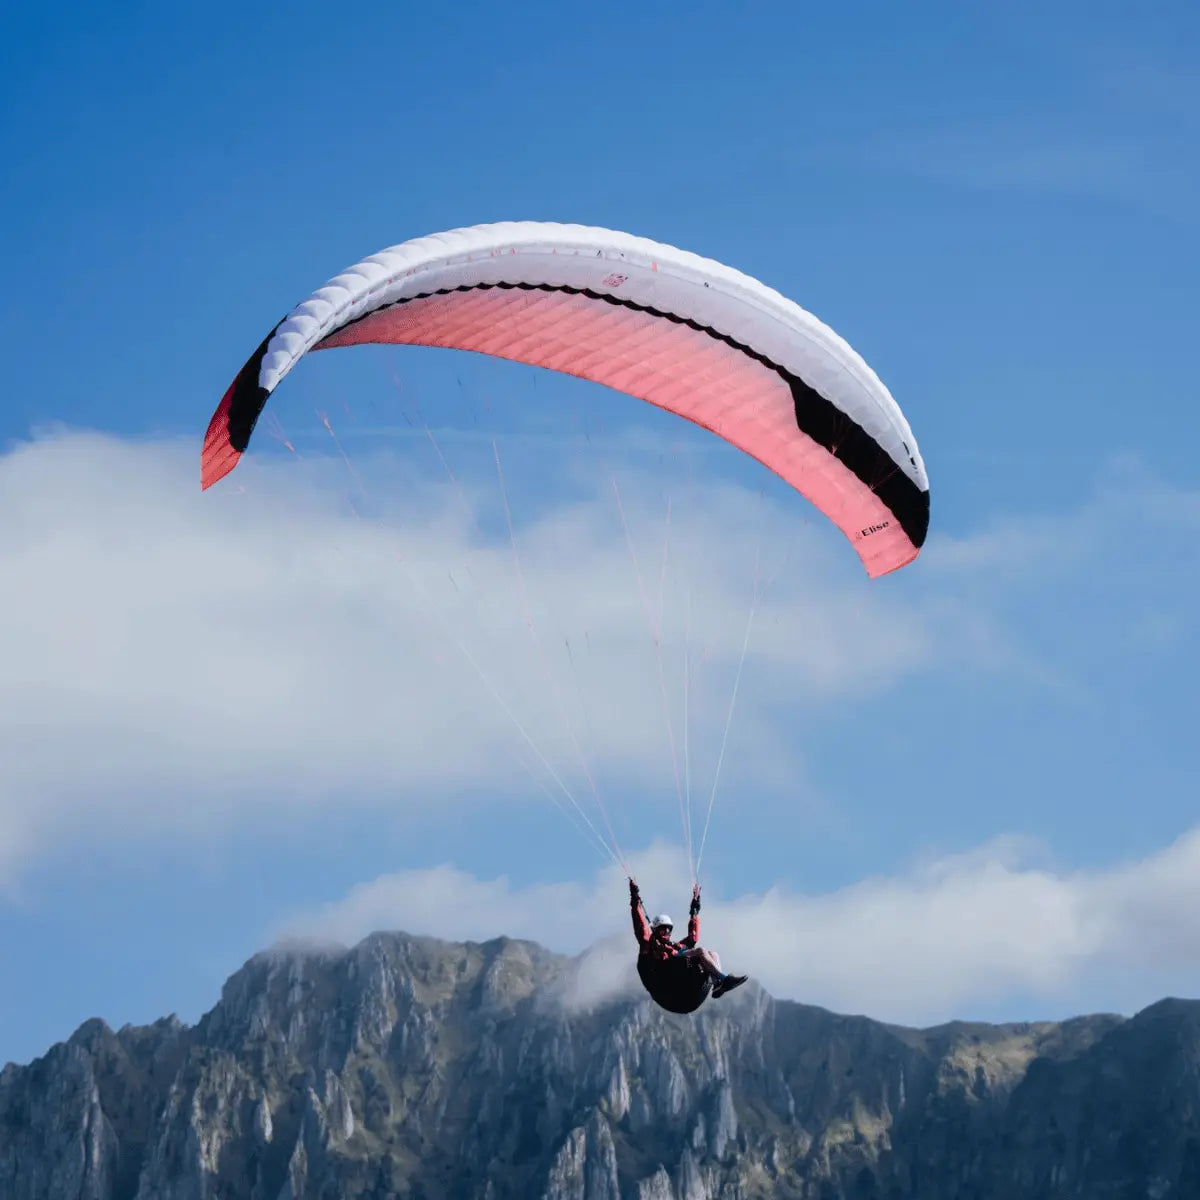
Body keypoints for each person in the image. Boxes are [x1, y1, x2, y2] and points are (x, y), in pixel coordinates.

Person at [629, 877, 747, 1011]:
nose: (666, 932)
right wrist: (635, 901)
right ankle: (724, 979)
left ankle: (718, 984)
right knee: (701, 951)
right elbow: (641, 929)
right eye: (663, 929)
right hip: (667, 991)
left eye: (669, 929)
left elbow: (692, 939)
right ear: (656, 930)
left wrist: (694, 911)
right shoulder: (650, 947)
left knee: (713, 954)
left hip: (689, 993)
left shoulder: (674, 947)